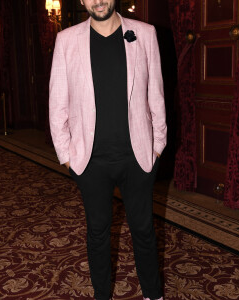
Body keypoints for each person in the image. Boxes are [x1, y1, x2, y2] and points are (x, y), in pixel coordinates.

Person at [49, 0, 166, 299]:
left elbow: (157, 93)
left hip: (138, 156)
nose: (98, 0)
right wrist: (68, 156)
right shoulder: (66, 40)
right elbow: (57, 103)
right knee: (98, 234)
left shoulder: (145, 33)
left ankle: (154, 294)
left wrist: (158, 145)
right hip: (91, 160)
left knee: (143, 231)